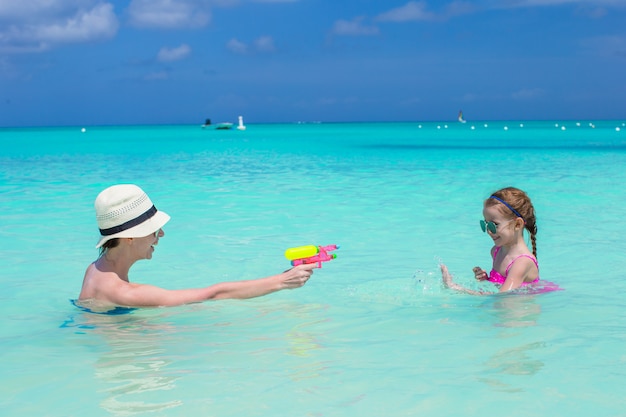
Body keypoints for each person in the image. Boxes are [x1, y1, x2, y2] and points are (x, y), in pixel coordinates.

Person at [77, 184, 317, 309]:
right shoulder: (126, 293)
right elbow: (214, 294)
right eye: (152, 230)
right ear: (129, 237)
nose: (161, 233)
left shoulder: (96, 270)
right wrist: (282, 282)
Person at [440, 187, 539, 294]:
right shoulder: (496, 251)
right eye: (485, 224)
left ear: (518, 224)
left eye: (494, 225)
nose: (488, 231)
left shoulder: (522, 263)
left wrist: (455, 287)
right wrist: (486, 280)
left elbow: (502, 296)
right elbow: (501, 289)